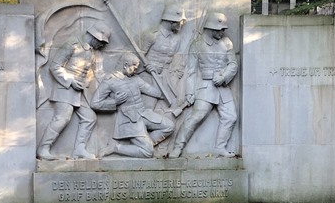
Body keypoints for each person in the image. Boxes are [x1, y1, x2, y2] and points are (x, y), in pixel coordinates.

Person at [169, 12, 238, 157]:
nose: (223, 32)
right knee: (196, 116)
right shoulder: (197, 44)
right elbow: (192, 71)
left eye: (223, 30)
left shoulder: (227, 43)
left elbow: (233, 64)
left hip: (223, 87)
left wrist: (224, 76)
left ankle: (220, 147)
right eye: (220, 30)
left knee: (230, 117)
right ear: (211, 28)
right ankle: (178, 147)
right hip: (206, 86)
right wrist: (189, 92)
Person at [37, 25, 110, 160]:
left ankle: (79, 149)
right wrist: (70, 81)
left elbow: (97, 74)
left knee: (90, 117)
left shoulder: (92, 52)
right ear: (94, 36)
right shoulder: (72, 44)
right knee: (62, 118)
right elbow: (55, 66)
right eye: (101, 42)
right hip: (65, 89)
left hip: (79, 92)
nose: (101, 45)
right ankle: (43, 149)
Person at [92, 52, 174, 158]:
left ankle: (145, 144)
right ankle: (115, 147)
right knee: (148, 152)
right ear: (125, 65)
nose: (136, 70)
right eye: (134, 67)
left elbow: (157, 93)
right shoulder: (110, 81)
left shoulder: (135, 79)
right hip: (129, 120)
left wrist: (153, 75)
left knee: (169, 126)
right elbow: (95, 103)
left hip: (143, 114)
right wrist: (114, 102)